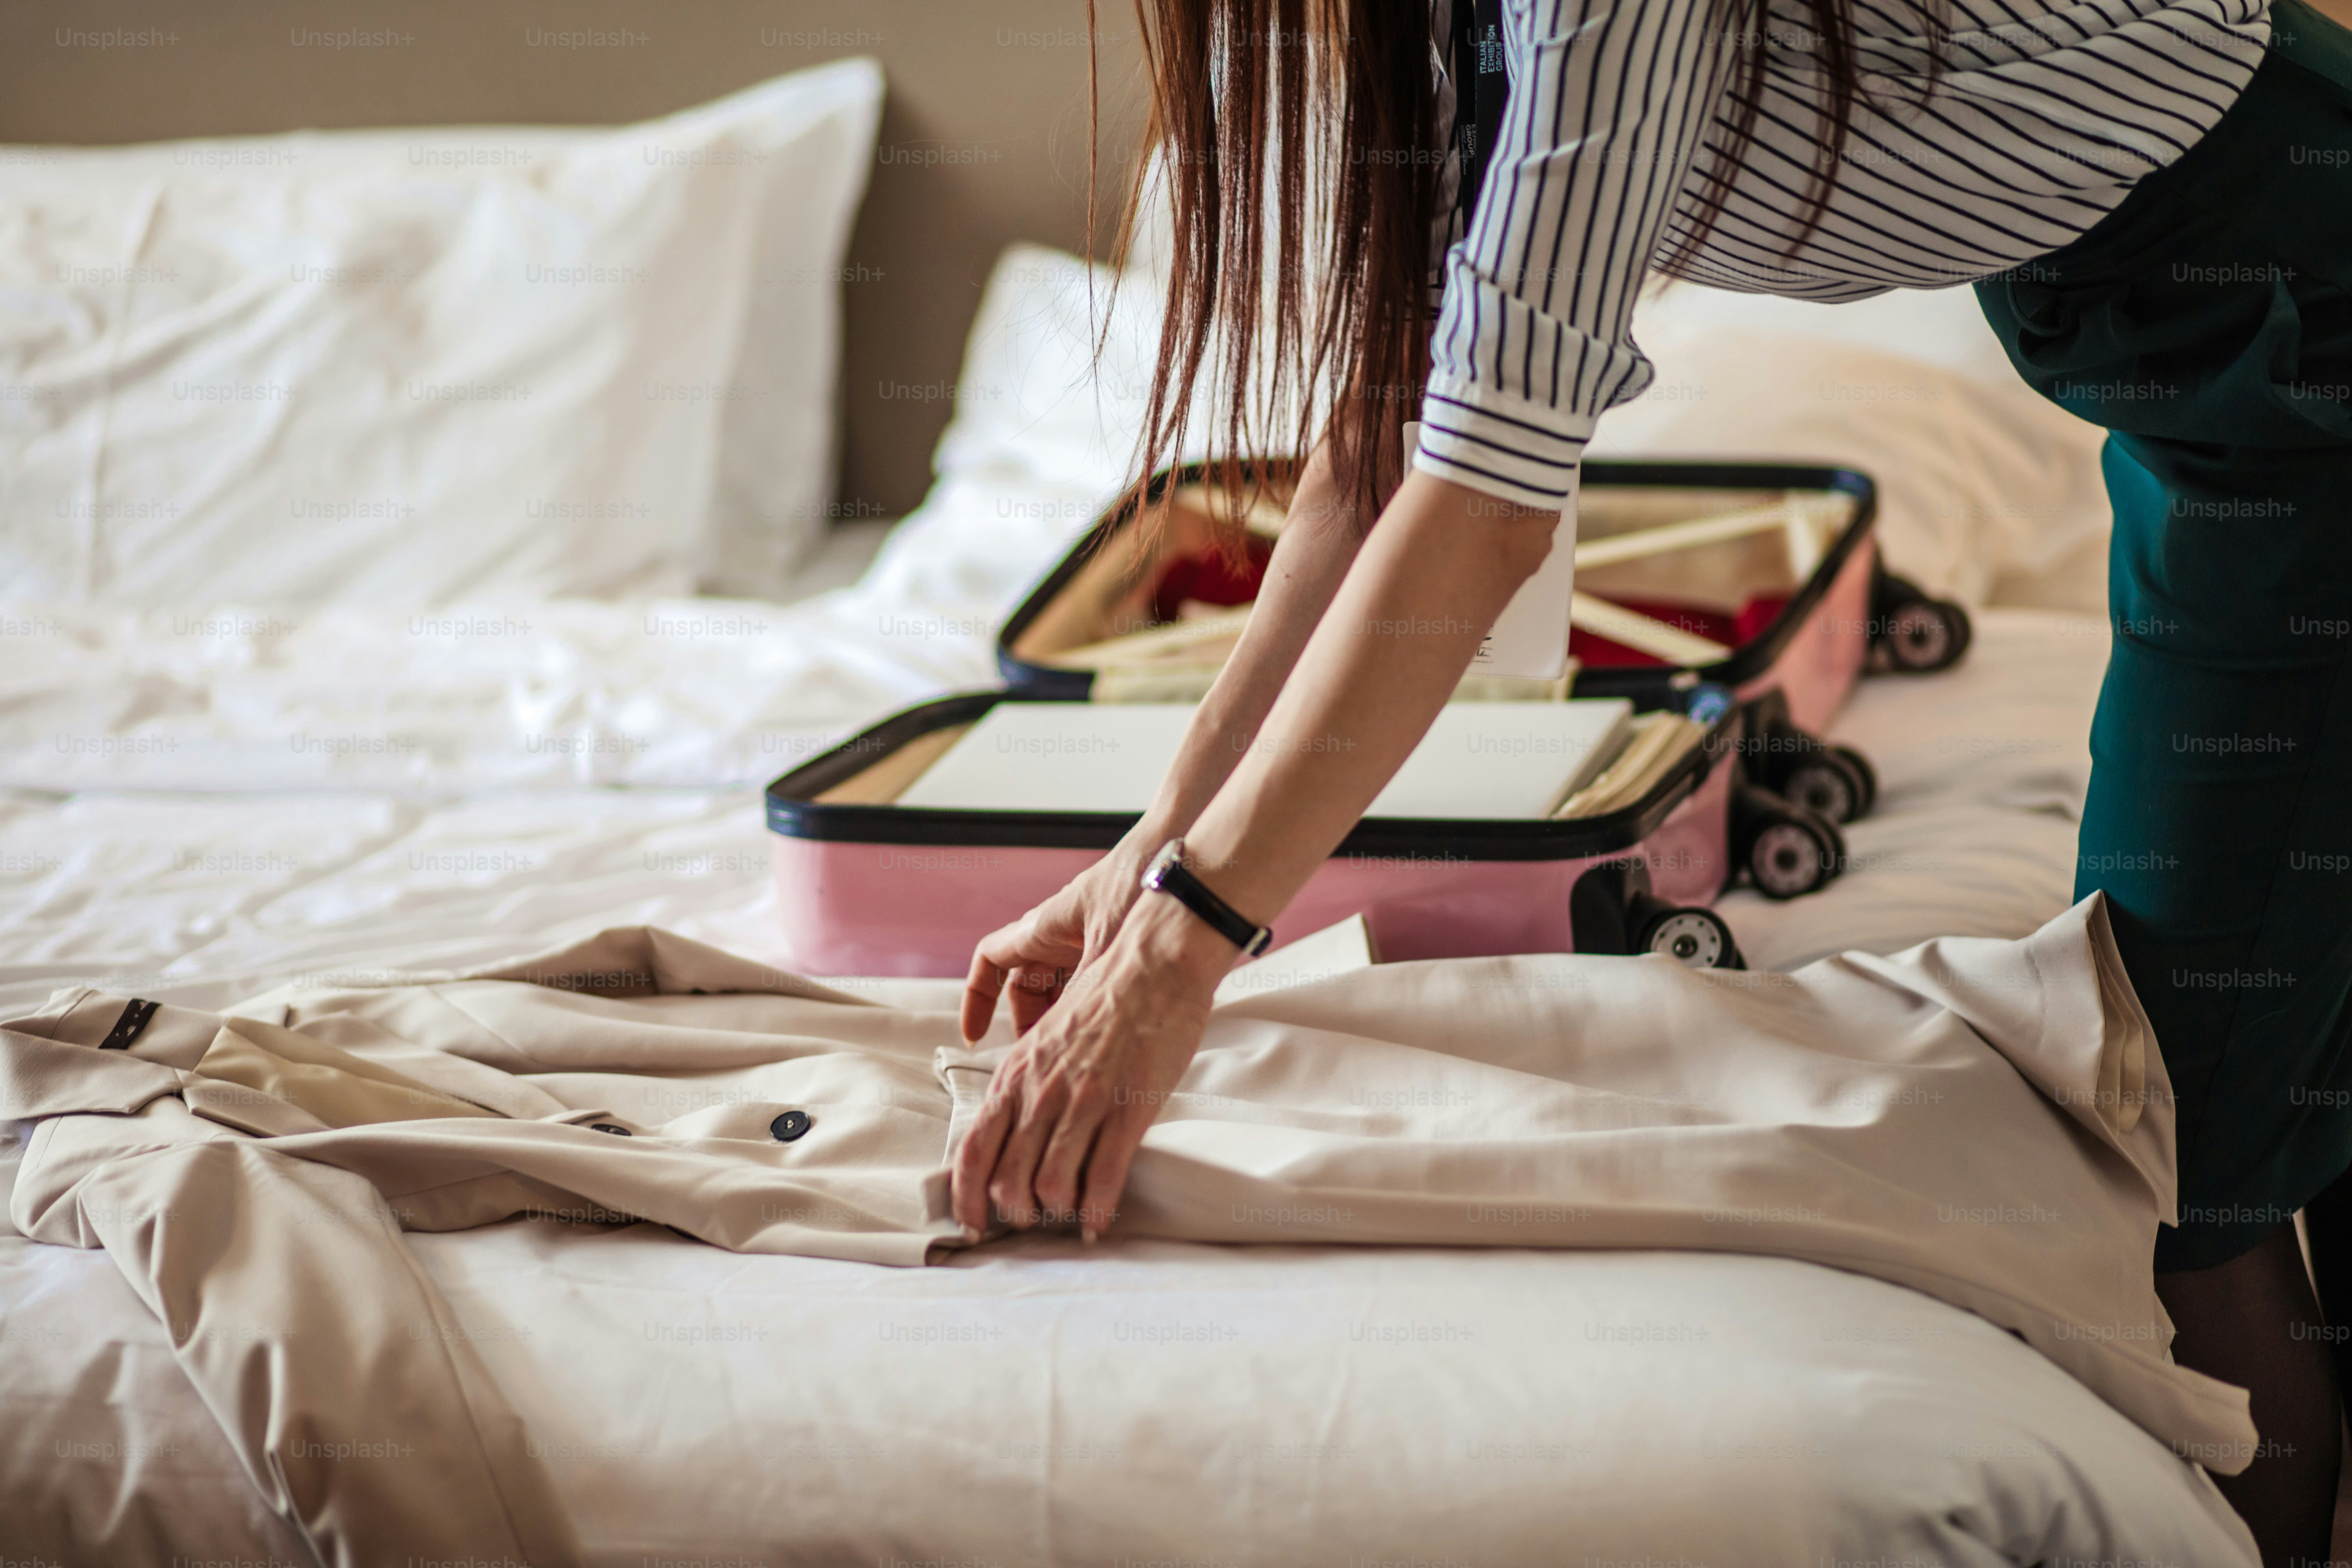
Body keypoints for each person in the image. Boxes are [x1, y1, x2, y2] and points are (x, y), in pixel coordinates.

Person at [949, 0, 2352, 1556]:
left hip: (2314, 352)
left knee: (2169, 1140)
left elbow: (1484, 496)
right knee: (2267, 1057)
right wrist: (1150, 860)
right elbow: (1382, 455)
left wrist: (1183, 947)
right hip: (2222, 402)